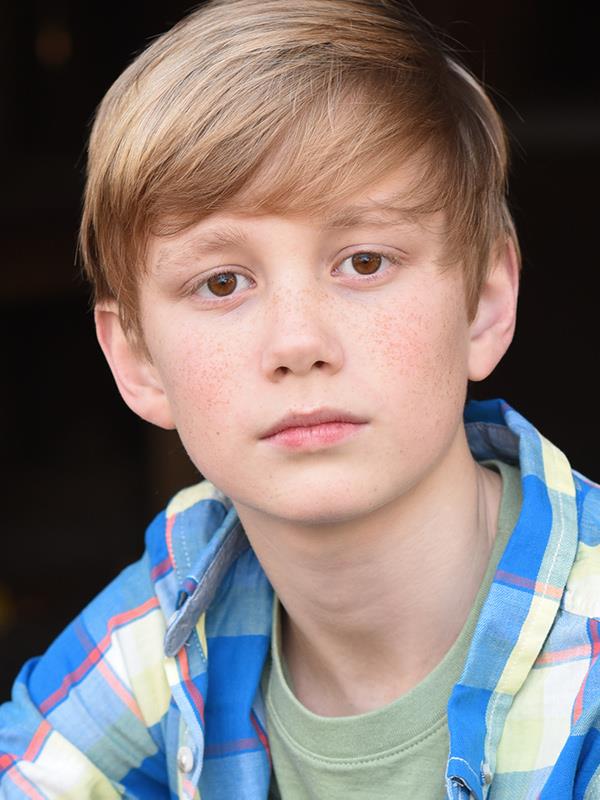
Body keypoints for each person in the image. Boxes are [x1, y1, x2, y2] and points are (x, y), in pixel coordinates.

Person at [1, 0, 599, 797]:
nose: (297, 342)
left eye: (365, 262)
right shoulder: (170, 616)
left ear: (484, 304)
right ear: (138, 361)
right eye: (222, 282)